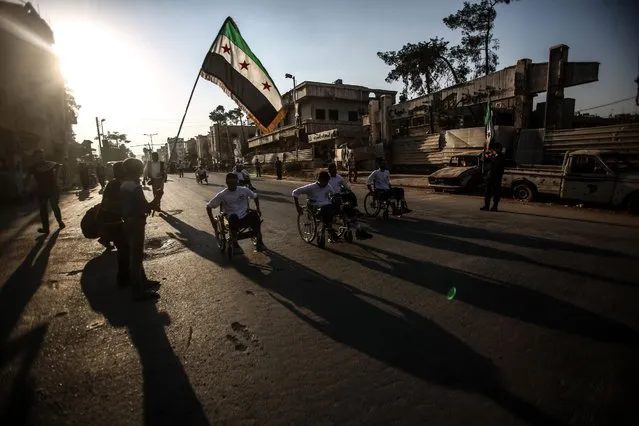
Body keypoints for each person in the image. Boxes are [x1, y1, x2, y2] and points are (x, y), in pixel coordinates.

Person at [120, 158, 158, 301]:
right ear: (136, 170)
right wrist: (158, 196)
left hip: (130, 222)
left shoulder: (126, 184)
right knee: (136, 258)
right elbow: (145, 207)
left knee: (136, 255)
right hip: (135, 223)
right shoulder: (134, 186)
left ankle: (143, 281)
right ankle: (138, 292)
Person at [206, 173, 264, 253]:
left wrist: (258, 208)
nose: (232, 185)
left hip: (245, 215)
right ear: (227, 183)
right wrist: (212, 220)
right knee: (233, 216)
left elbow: (255, 196)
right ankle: (235, 243)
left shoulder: (243, 190)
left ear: (237, 182)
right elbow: (209, 207)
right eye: (230, 183)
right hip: (232, 218)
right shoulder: (222, 195)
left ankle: (259, 240)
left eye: (234, 183)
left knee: (255, 215)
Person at [292, 171, 340, 241]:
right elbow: (295, 192)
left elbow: (333, 194)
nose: (326, 183)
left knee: (339, 206)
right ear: (320, 179)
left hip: (327, 206)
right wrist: (297, 206)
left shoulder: (327, 186)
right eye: (325, 181)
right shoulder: (311, 187)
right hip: (315, 207)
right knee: (327, 209)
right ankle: (330, 230)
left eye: (327, 181)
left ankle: (330, 228)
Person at [26, 149, 65, 234]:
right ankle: (46, 228)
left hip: (52, 189)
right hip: (41, 190)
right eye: (38, 156)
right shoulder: (33, 167)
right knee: (43, 209)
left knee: (54, 206)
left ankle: (60, 222)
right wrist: (28, 187)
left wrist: (56, 177)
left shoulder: (50, 164)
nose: (41, 157)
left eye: (42, 155)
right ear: (35, 157)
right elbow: (28, 178)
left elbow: (58, 166)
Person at [481, 142, 505, 212]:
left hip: (496, 177)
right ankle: (486, 206)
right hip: (490, 177)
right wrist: (485, 156)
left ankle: (495, 206)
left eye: (493, 149)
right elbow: (484, 161)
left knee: (496, 192)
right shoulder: (493, 156)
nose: (492, 151)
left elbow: (496, 165)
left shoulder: (501, 157)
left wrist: (491, 158)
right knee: (487, 192)